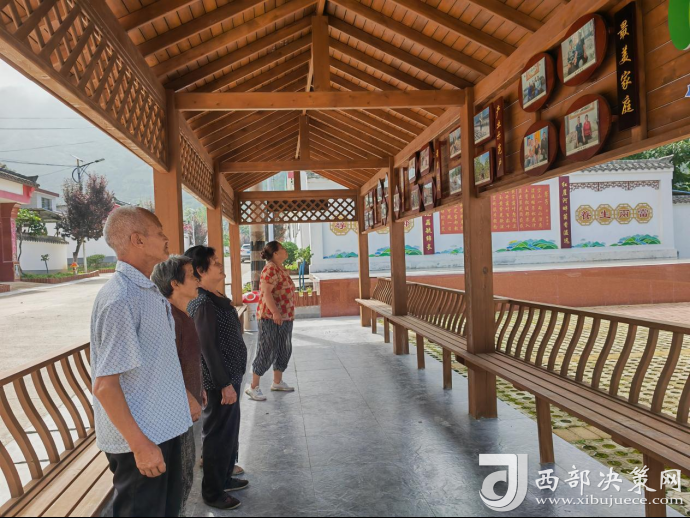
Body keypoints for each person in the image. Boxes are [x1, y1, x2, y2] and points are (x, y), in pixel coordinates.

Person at [91, 207, 192, 517]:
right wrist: (140, 445)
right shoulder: (122, 298)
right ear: (138, 240)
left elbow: (157, 359)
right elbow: (105, 387)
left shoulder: (145, 290)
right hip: (142, 437)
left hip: (162, 428)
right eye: (159, 232)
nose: (166, 238)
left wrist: (182, 396)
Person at [185, 245, 248, 511]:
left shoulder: (214, 298)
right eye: (216, 263)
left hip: (230, 376)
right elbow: (207, 347)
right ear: (200, 270)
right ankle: (212, 491)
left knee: (229, 432)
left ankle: (224, 478)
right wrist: (224, 384)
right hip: (219, 382)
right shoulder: (202, 303)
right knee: (217, 436)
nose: (221, 267)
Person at [151, 256, 204, 517]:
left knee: (185, 474)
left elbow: (187, 360)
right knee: (181, 479)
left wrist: (198, 389)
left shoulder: (183, 314)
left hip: (184, 407)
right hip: (174, 413)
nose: (197, 280)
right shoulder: (168, 317)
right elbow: (165, 368)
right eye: (191, 275)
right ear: (175, 283)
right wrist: (189, 398)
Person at [245, 241, 296, 402]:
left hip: (286, 316)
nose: (285, 251)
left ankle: (277, 382)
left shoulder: (280, 268)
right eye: (282, 249)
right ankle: (253, 387)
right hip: (270, 317)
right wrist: (275, 312)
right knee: (267, 349)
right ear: (275, 253)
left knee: (284, 348)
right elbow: (266, 293)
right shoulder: (270, 269)